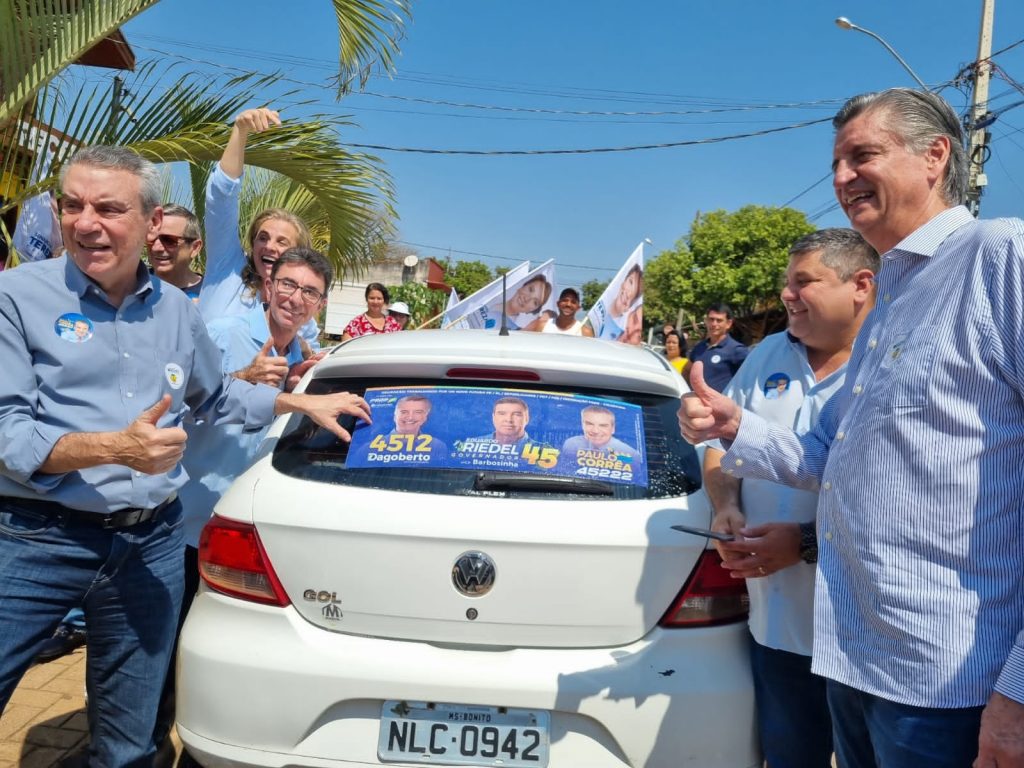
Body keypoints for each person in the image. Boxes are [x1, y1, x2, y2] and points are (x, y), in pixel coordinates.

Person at [679, 88, 1024, 768]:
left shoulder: (998, 257)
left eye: (861, 156)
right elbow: (830, 454)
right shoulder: (893, 302)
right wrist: (735, 424)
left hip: (954, 685)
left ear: (935, 157)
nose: (840, 179)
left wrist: (1018, 692)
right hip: (857, 664)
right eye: (836, 162)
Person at [0, 145, 371, 766]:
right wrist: (114, 448)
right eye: (73, 205)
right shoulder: (15, 297)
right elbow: (7, 434)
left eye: (109, 208)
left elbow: (217, 398)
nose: (86, 222)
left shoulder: (177, 311)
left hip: (149, 549)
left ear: (150, 224)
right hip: (38, 540)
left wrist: (297, 406)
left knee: (128, 741)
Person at [704, 228, 878, 768]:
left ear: (861, 286)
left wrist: (803, 542)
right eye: (786, 282)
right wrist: (725, 505)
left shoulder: (889, 362)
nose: (786, 294)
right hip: (777, 627)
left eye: (804, 281)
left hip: (867, 640)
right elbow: (719, 445)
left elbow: (898, 502)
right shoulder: (767, 355)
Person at [200, 107, 320, 349]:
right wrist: (240, 130)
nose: (269, 246)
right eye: (262, 238)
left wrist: (302, 356)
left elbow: (309, 364)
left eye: (282, 242)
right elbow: (220, 199)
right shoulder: (227, 268)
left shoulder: (300, 306)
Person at [686, 303, 748, 392]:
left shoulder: (737, 350)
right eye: (711, 319)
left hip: (721, 403)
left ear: (728, 324)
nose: (714, 324)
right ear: (706, 321)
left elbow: (748, 378)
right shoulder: (699, 348)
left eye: (719, 320)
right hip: (697, 403)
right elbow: (687, 371)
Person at [147, 203, 204, 300]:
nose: (156, 248)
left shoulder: (210, 295)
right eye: (151, 238)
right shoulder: (128, 287)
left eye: (169, 240)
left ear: (195, 248)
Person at [560, 405, 640, 460]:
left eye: (603, 425)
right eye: (589, 424)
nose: (595, 431)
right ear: (582, 425)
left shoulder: (630, 454)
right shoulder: (571, 444)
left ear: (613, 428)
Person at [596, 264, 643, 340]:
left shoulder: (621, 335)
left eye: (635, 293)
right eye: (630, 282)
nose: (629, 293)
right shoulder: (597, 312)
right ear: (623, 282)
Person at [523, 287, 594, 336]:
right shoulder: (542, 326)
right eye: (565, 300)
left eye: (573, 302)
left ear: (578, 308)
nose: (568, 304)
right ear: (558, 304)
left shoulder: (585, 332)